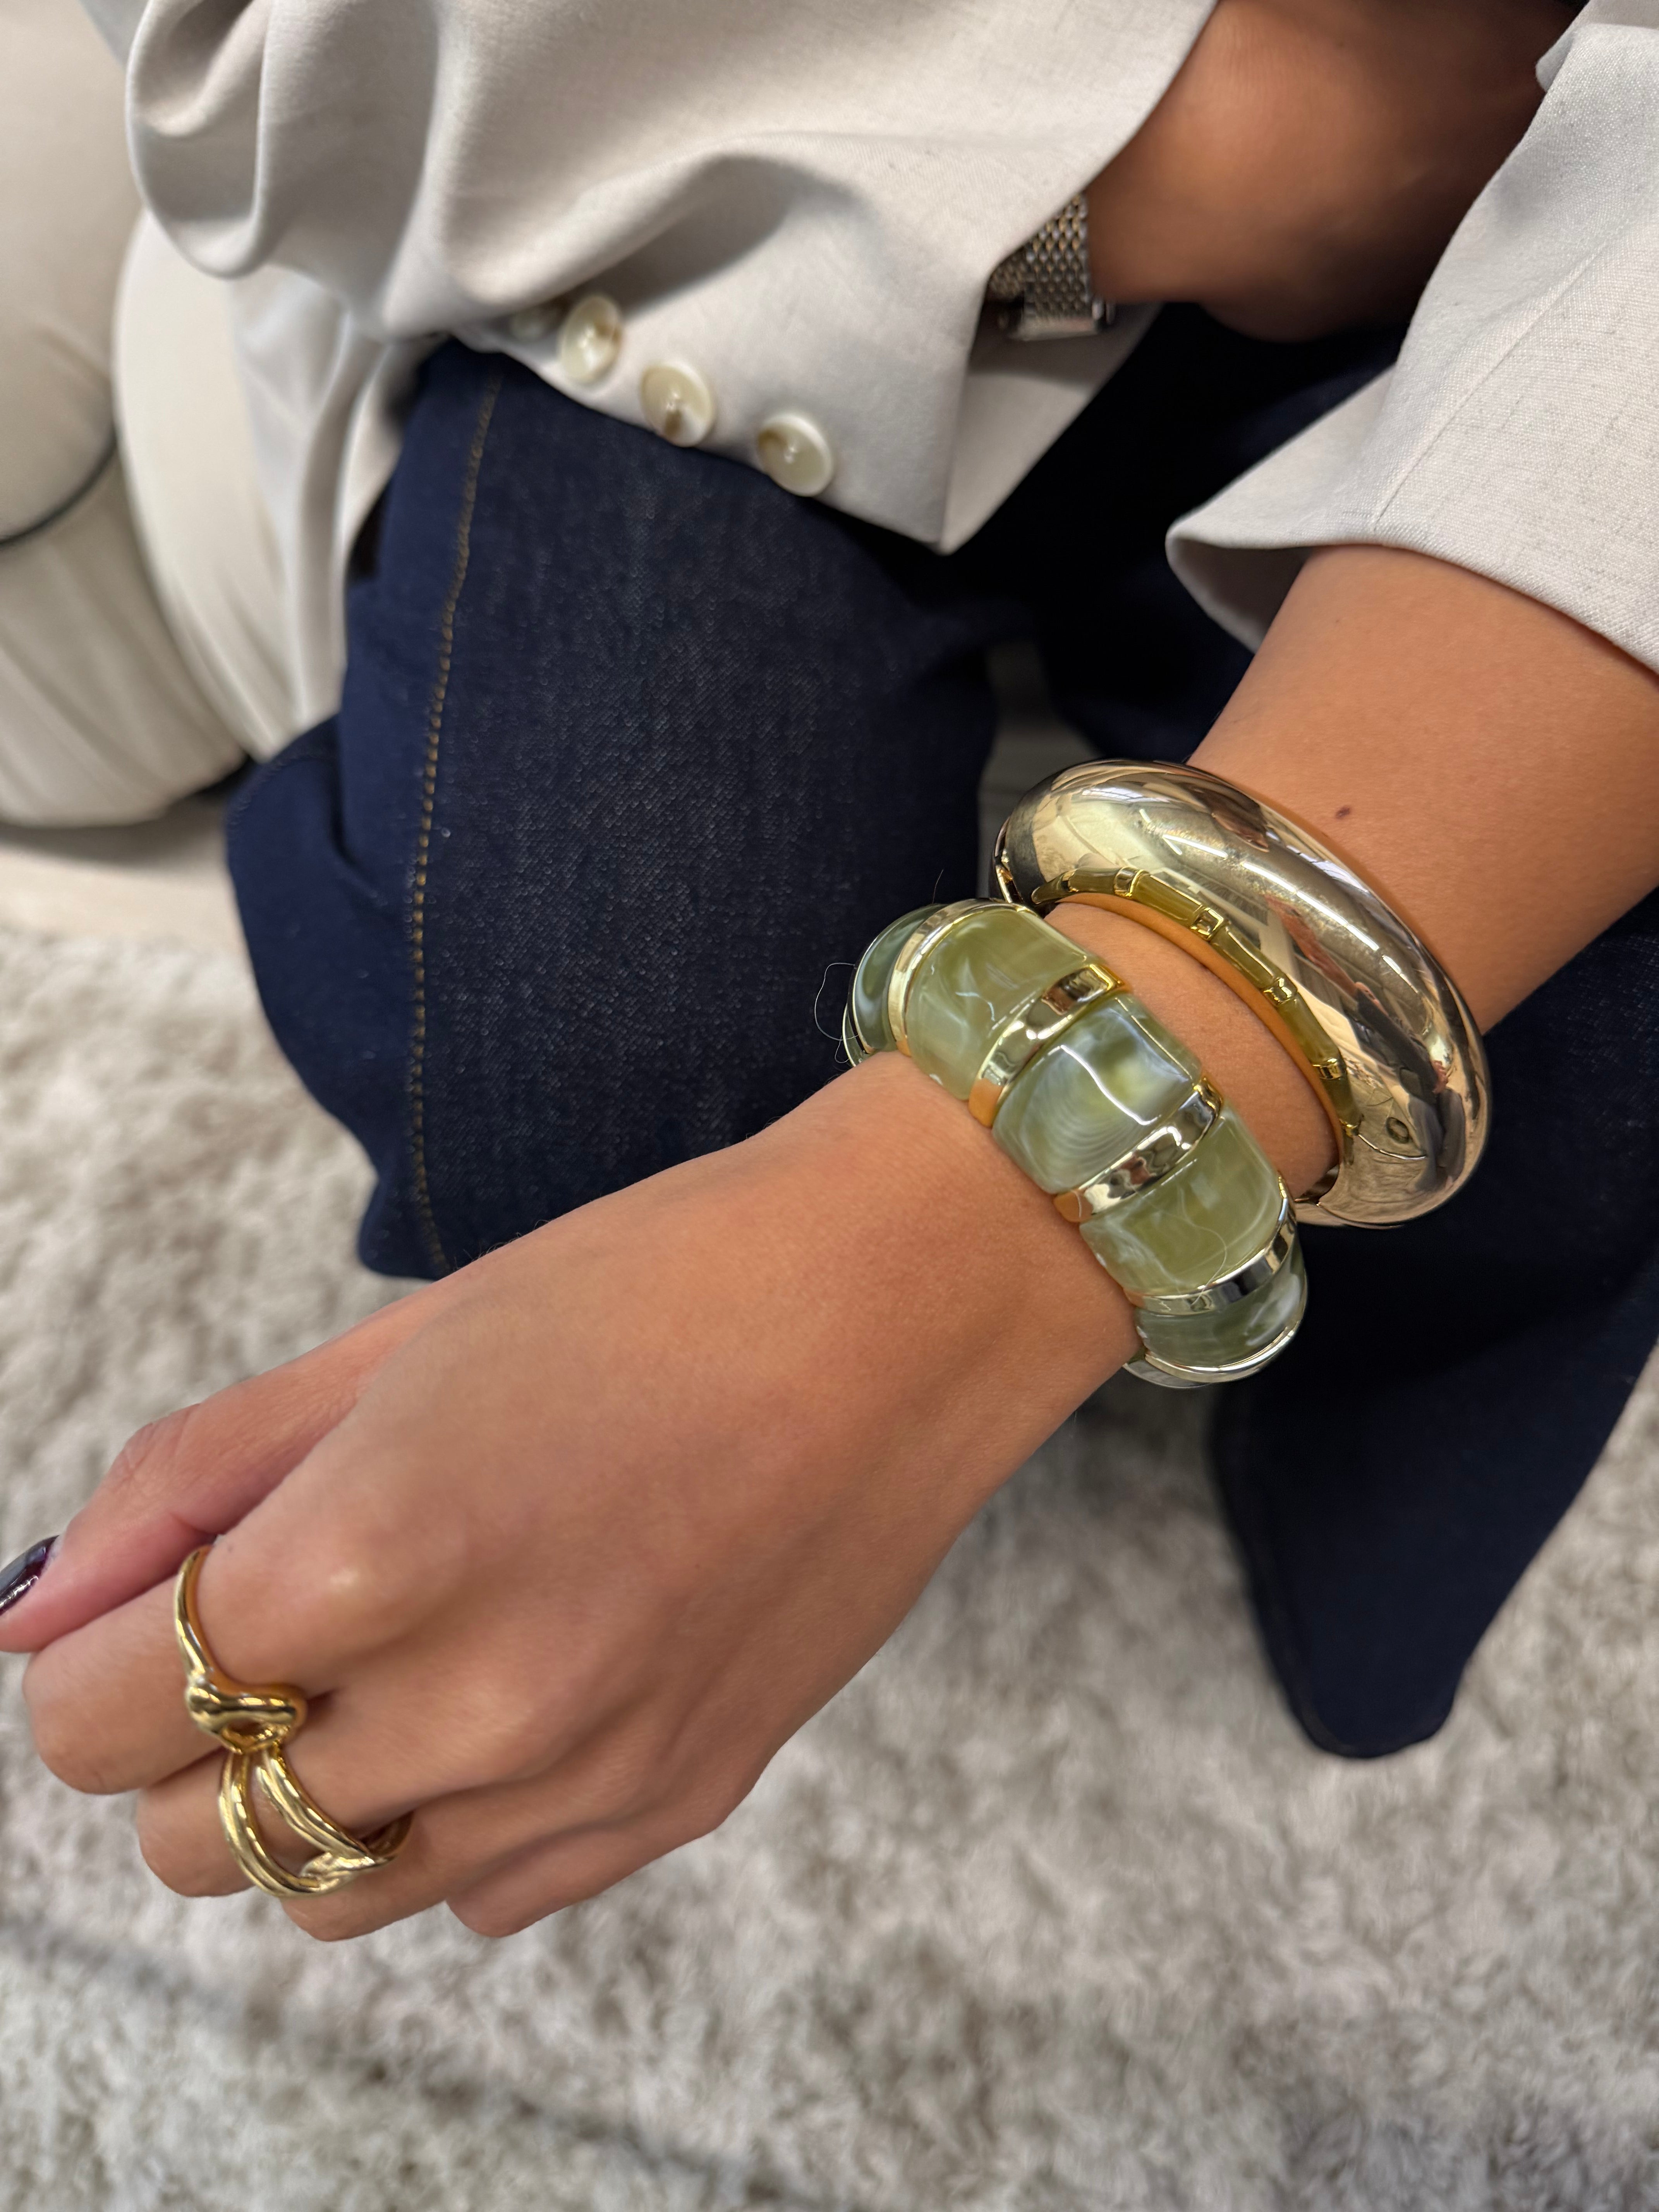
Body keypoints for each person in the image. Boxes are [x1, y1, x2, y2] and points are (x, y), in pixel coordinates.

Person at [2, 0, 1657, 1940]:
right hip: (723, 166)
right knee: (589, 1045)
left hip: (1558, 209)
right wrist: (1116, 172)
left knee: (1592, 1037)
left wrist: (957, 1237)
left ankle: (1359, 1549)